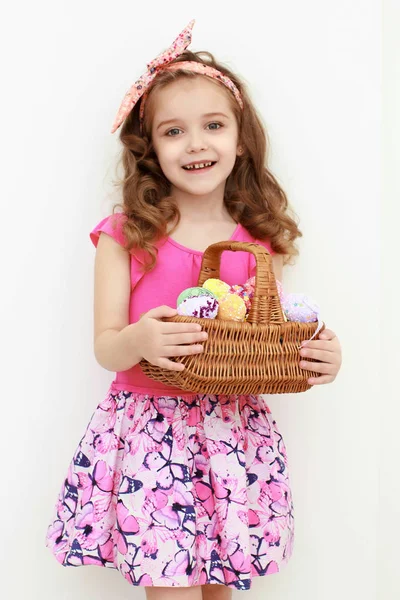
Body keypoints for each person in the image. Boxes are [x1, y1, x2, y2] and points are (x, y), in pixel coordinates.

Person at [45, 20, 342, 600]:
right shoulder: (127, 234)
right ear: (150, 147)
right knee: (172, 588)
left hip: (232, 433)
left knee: (216, 587)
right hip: (155, 434)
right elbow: (106, 344)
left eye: (213, 125)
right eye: (173, 131)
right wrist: (139, 340)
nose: (196, 143)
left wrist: (321, 352)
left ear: (240, 138)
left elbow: (270, 341)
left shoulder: (259, 241)